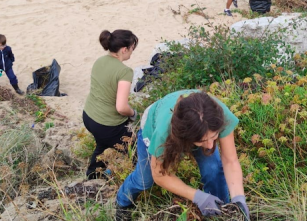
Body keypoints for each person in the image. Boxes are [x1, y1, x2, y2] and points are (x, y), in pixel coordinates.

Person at [115, 90, 249, 221]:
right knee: (144, 180)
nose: (209, 145)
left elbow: (230, 161)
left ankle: (220, 211)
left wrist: (239, 199)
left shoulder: (219, 116)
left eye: (214, 137)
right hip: (155, 121)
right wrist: (197, 197)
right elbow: (159, 175)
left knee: (213, 168)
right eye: (202, 141)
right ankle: (122, 202)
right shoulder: (163, 133)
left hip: (196, 125)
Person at [82, 29, 138, 180]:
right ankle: (138, 179)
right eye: (132, 48)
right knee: (138, 150)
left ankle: (93, 174)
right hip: (106, 124)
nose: (132, 52)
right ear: (124, 49)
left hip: (89, 116)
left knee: (102, 142)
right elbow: (121, 107)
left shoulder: (99, 61)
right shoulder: (124, 71)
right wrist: (133, 113)